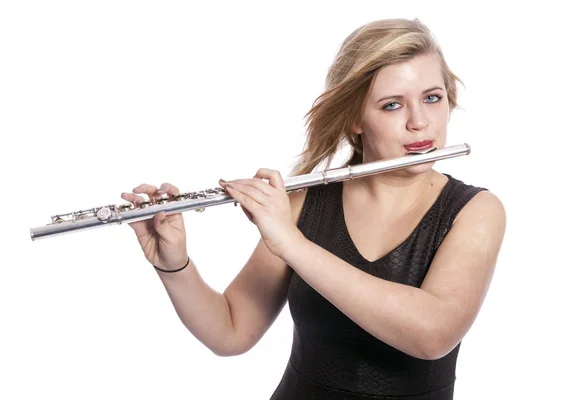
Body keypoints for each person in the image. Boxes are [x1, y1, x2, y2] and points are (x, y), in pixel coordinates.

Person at [121, 18, 506, 400]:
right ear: (355, 117)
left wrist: (292, 243)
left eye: (432, 98)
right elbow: (231, 331)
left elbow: (432, 334)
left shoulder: (474, 211)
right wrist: (173, 265)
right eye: (392, 106)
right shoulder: (306, 202)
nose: (420, 122)